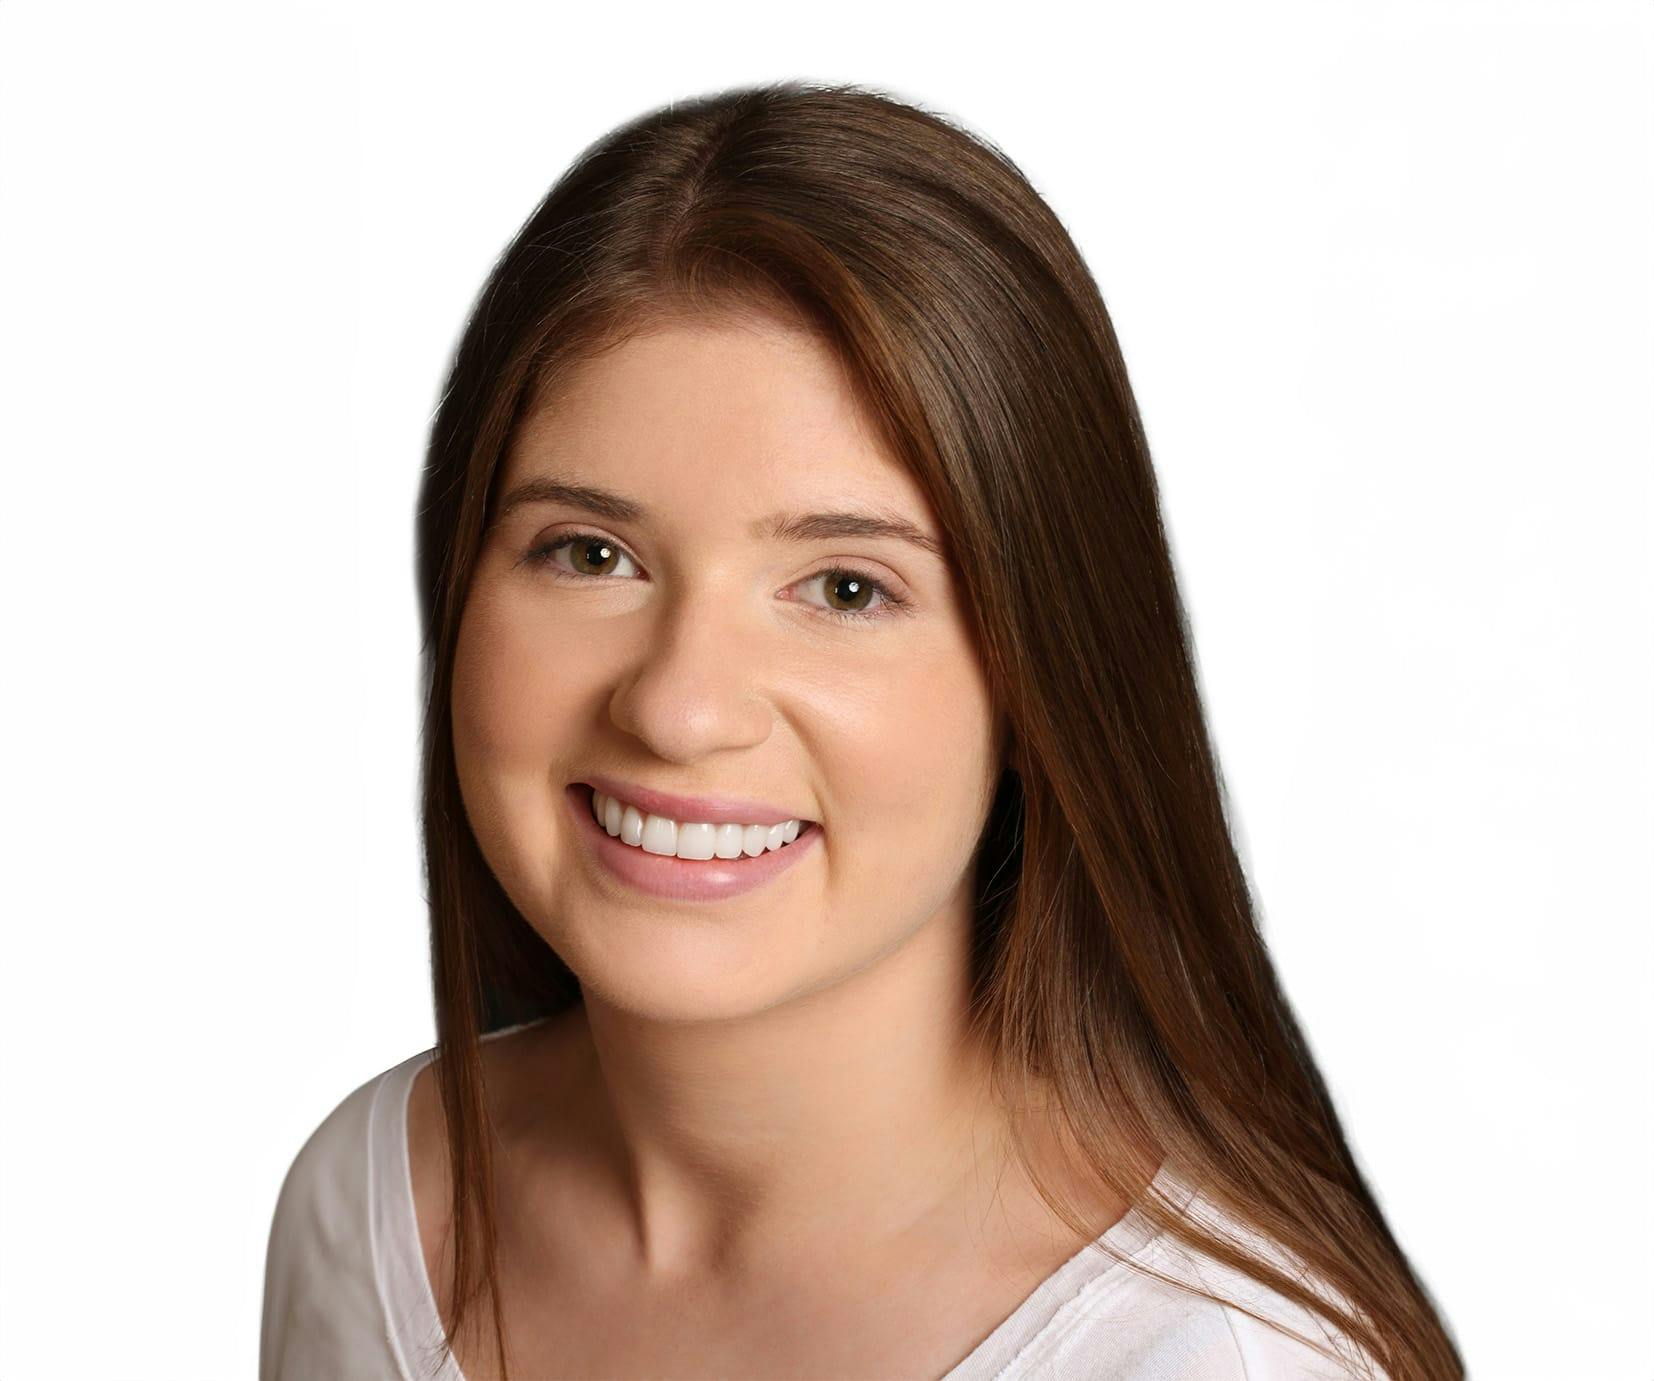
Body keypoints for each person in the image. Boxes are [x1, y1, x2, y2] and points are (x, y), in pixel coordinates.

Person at [260, 80, 1463, 1381]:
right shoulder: (374, 1202)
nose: (679, 703)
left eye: (845, 587)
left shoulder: (1207, 1358)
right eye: (590, 551)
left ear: (1036, 681)